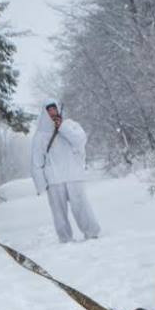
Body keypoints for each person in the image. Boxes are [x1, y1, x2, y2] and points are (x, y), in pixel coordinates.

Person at [30, 100, 101, 243]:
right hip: (54, 179)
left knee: (81, 206)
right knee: (58, 212)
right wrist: (40, 185)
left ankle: (91, 232)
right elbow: (36, 162)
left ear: (58, 109)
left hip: (73, 174)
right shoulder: (40, 135)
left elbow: (80, 141)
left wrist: (62, 127)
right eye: (49, 110)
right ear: (44, 112)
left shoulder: (71, 125)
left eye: (54, 109)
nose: (52, 112)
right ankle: (65, 238)